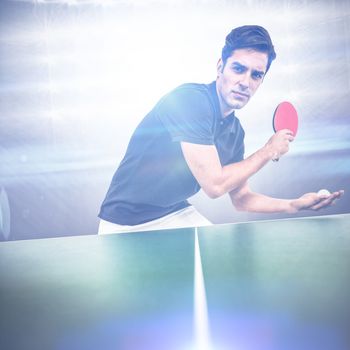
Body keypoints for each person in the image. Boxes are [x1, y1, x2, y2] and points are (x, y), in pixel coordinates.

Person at [98, 25, 343, 234]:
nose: (245, 82)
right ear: (220, 67)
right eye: (238, 69)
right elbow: (214, 185)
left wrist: (295, 205)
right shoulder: (189, 101)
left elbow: (242, 198)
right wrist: (269, 150)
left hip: (173, 212)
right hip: (125, 222)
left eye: (256, 75)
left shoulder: (235, 132)